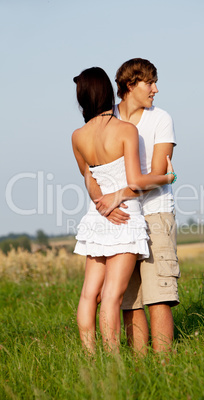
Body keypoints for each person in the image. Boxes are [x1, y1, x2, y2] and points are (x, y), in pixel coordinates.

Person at [72, 67, 176, 354]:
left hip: (97, 215)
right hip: (126, 214)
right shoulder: (124, 130)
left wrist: (101, 205)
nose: (155, 89)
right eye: (151, 83)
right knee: (113, 296)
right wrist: (168, 178)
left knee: (88, 294)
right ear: (108, 90)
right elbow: (135, 181)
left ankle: (93, 358)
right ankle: (114, 359)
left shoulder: (77, 136)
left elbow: (88, 178)